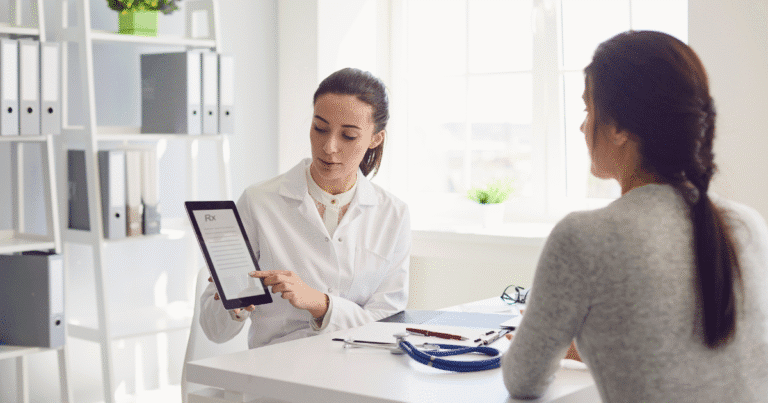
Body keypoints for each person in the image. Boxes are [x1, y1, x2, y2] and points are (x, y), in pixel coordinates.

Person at [501, 31, 768, 402]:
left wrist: (557, 337)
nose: (582, 127)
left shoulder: (584, 235)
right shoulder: (747, 224)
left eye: (587, 109)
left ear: (617, 128)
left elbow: (522, 380)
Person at [199, 68, 411, 348]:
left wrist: (321, 305)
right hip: (277, 375)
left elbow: (386, 323)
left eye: (348, 136)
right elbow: (214, 331)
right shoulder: (259, 202)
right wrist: (233, 306)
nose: (329, 147)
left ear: (375, 139)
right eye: (320, 128)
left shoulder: (393, 214)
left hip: (358, 371)